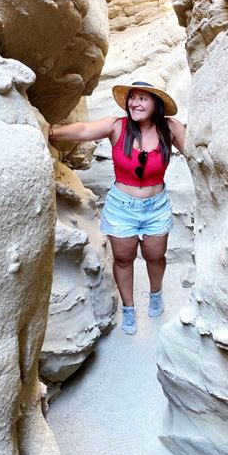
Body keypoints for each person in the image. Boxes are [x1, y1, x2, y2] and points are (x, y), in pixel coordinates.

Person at [49, 76, 186, 335]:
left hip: (156, 206)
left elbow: (198, 155)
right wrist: (49, 131)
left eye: (142, 98)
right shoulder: (117, 126)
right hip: (122, 206)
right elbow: (84, 130)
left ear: (156, 103)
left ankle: (155, 293)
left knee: (155, 256)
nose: (135, 103)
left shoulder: (170, 128)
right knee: (123, 259)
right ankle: (129, 309)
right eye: (132, 98)